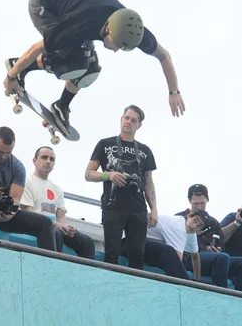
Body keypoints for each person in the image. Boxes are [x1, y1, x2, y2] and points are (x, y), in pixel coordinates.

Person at [3, 0, 185, 134]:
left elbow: (164, 56)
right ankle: (19, 68)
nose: (115, 51)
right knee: (74, 63)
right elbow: (38, 48)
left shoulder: (134, 30)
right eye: (115, 45)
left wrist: (174, 91)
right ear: (107, 29)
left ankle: (61, 106)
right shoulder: (78, 24)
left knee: (91, 69)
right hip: (46, 3)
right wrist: (11, 76)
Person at [85, 105, 157, 269]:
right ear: (121, 119)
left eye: (133, 120)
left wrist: (153, 209)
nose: (129, 122)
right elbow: (88, 174)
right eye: (127, 118)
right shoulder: (105, 144)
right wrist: (108, 175)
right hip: (113, 206)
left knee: (138, 255)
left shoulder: (145, 150)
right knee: (111, 253)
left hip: (138, 208)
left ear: (139, 125)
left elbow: (149, 182)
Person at [20, 146, 95, 259]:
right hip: (36, 227)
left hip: (55, 227)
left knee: (87, 242)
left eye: (51, 159)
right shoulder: (27, 182)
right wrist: (56, 225)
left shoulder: (57, 189)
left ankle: (84, 274)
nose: (48, 161)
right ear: (34, 161)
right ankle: (54, 270)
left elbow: (60, 216)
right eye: (44, 158)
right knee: (55, 233)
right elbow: (30, 214)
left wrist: (67, 227)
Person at [176, 184, 242, 289]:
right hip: (188, 258)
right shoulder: (179, 217)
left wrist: (218, 249)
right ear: (189, 201)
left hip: (212, 259)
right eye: (195, 204)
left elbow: (222, 245)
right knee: (222, 258)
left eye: (202, 203)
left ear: (207, 200)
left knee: (234, 261)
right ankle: (220, 297)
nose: (199, 207)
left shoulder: (214, 223)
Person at [126, 211, 211, 280]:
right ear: (189, 216)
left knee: (173, 255)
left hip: (142, 244)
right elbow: (176, 261)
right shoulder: (179, 226)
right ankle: (187, 290)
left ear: (200, 230)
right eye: (195, 220)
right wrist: (187, 284)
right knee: (169, 252)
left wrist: (197, 280)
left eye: (199, 226)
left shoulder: (191, 233)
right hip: (129, 242)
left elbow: (196, 257)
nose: (194, 226)